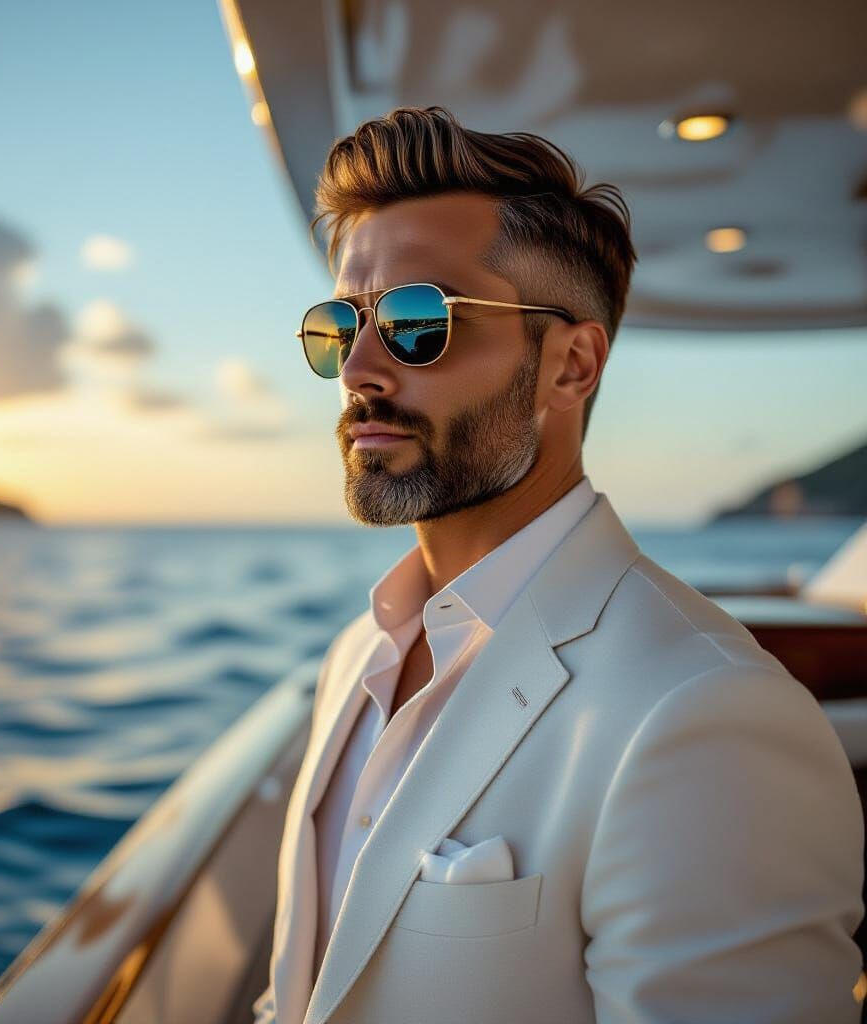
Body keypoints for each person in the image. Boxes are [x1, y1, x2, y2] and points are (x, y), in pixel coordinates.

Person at [253, 106, 864, 1024]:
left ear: (570, 365)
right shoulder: (359, 656)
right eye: (342, 324)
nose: (360, 369)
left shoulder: (707, 713)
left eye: (421, 319)